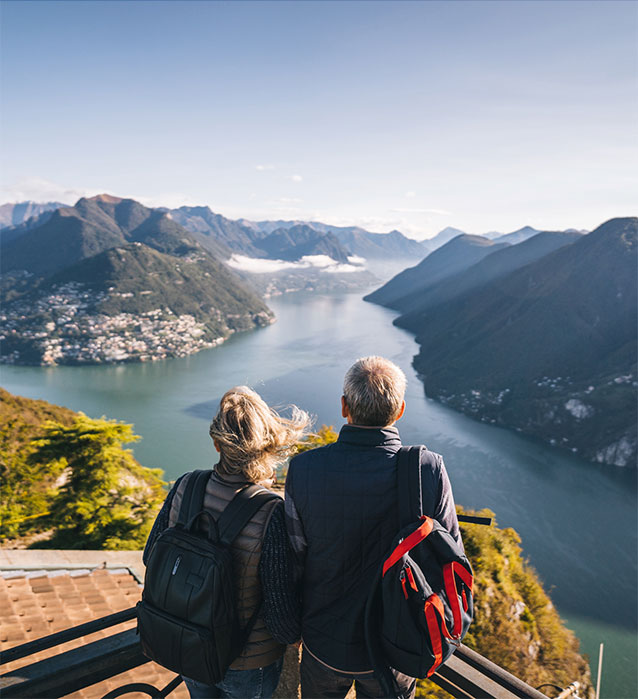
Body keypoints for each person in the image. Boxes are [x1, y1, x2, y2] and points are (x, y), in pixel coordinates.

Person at [285, 356, 462, 699]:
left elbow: (295, 555)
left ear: (344, 407)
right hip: (395, 646)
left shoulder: (305, 469)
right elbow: (450, 556)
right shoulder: (427, 469)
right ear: (400, 411)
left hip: (324, 641)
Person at [144, 386, 310, 699]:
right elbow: (278, 609)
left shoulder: (186, 485)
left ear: (217, 444)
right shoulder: (271, 511)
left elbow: (152, 556)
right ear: (267, 444)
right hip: (248, 661)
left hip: (188, 644)